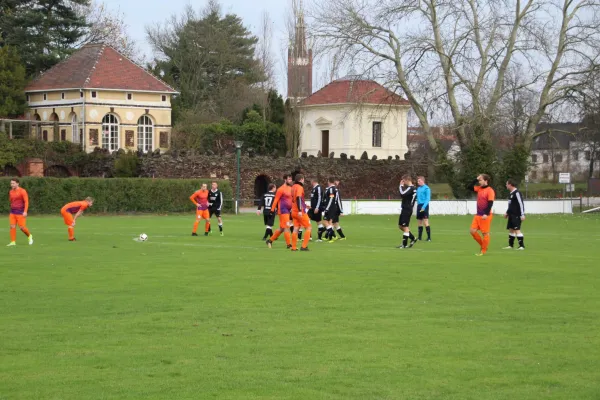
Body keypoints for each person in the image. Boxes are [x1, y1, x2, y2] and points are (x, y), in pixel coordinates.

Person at [468, 174, 495, 256]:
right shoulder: (479, 189)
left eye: (481, 180)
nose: (479, 182)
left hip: (485, 215)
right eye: (479, 180)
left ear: (486, 181)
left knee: (485, 233)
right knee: (472, 231)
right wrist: (476, 179)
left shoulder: (490, 190)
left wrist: (486, 214)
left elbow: (490, 203)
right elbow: (469, 187)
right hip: (478, 215)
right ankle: (484, 246)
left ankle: (483, 251)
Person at [266, 174, 293, 249]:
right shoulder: (280, 189)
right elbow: (276, 200)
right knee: (287, 227)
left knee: (282, 228)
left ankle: (270, 241)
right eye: (289, 179)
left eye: (291, 179)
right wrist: (272, 210)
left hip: (288, 210)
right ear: (285, 180)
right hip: (283, 210)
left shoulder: (291, 188)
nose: (290, 181)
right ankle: (289, 245)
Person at [7, 178, 33, 246]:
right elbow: (11, 200)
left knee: (22, 227)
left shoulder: (22, 191)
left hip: (20, 212)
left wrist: (25, 211)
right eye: (11, 183)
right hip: (12, 212)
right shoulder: (11, 192)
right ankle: (13, 242)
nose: (12, 185)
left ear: (17, 183)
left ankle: (29, 236)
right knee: (12, 226)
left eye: (13, 183)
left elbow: (26, 201)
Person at [290, 174, 311, 251]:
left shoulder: (293, 187)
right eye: (303, 179)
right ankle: (304, 246)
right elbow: (298, 198)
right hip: (300, 212)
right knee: (308, 227)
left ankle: (294, 247)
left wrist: (305, 205)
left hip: (293, 211)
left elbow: (296, 199)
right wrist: (300, 210)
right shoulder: (299, 187)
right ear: (301, 179)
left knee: (295, 228)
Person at [503, 179, 526, 250]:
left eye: (507, 184)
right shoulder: (511, 193)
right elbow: (510, 205)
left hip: (516, 215)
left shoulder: (517, 193)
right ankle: (510, 245)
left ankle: (521, 246)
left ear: (510, 184)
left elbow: (521, 204)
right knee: (511, 229)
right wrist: (507, 212)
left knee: (517, 230)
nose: (506, 185)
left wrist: (522, 214)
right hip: (511, 215)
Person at [397, 175, 417, 248]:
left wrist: (401, 185)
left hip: (407, 209)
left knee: (405, 227)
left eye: (403, 181)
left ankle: (404, 244)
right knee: (400, 226)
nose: (403, 182)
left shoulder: (411, 188)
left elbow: (402, 193)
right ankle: (413, 238)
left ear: (407, 180)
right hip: (405, 209)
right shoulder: (412, 188)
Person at [322, 177, 339, 242]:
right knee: (329, 222)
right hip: (331, 207)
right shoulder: (332, 189)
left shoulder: (332, 189)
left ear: (329, 181)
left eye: (327, 181)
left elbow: (331, 199)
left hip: (330, 208)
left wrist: (327, 208)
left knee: (325, 222)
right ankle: (331, 237)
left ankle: (333, 236)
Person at [416, 176, 431, 241]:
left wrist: (423, 207)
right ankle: (419, 237)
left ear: (422, 181)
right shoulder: (418, 188)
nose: (418, 182)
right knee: (419, 222)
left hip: (424, 206)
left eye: (419, 181)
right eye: (418, 181)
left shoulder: (427, 188)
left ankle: (429, 238)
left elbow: (427, 199)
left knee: (425, 221)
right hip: (419, 205)